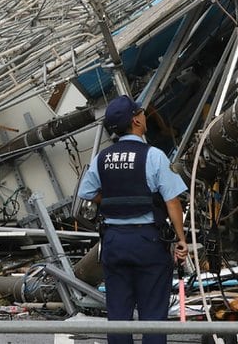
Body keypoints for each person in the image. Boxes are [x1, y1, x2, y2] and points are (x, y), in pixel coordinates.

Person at [77, 95, 189, 344]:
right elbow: (172, 201)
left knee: (118, 315)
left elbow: (86, 192)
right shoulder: (154, 156)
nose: (143, 116)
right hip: (148, 241)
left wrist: (111, 200)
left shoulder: (102, 158)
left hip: (114, 242)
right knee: (153, 316)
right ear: (136, 121)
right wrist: (181, 240)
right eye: (140, 113)